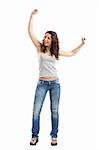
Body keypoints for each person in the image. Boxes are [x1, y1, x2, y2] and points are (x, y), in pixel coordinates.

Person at [28, 9, 85, 146]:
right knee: (36, 111)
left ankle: (54, 136)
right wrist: (31, 16)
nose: (45, 39)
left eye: (48, 37)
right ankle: (34, 136)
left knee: (54, 111)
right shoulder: (39, 48)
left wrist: (82, 44)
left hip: (55, 84)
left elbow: (71, 53)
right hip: (41, 84)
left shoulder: (55, 52)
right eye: (45, 37)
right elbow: (30, 32)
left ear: (52, 40)